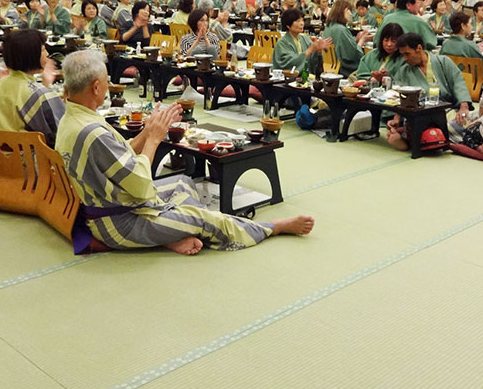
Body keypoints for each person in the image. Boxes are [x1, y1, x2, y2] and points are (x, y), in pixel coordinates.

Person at [56, 49, 314, 256]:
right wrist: (154, 140)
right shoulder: (92, 132)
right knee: (201, 218)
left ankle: (171, 233)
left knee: (182, 182)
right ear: (97, 87)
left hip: (118, 204)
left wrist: (147, 131)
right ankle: (274, 228)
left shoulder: (74, 118)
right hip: (120, 222)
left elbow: (120, 155)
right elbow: (140, 185)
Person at [386, 33, 472, 151]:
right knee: (446, 130)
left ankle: (417, 139)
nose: (405, 59)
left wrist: (463, 107)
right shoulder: (404, 70)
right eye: (402, 55)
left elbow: (458, 83)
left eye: (407, 54)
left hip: (446, 111)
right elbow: (399, 96)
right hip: (419, 114)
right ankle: (426, 139)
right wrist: (396, 118)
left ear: (419, 49)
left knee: (474, 121)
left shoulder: (443, 62)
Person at [0, 28, 65, 146]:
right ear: (31, 55)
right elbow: (60, 132)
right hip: (27, 160)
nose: (48, 54)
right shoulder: (39, 93)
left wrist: (44, 86)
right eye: (43, 50)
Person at [322, 0, 372, 76]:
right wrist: (361, 41)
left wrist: (356, 40)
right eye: (348, 10)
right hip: (344, 69)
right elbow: (351, 55)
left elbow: (343, 46)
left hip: (331, 66)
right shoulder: (340, 29)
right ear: (342, 11)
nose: (351, 14)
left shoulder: (329, 26)